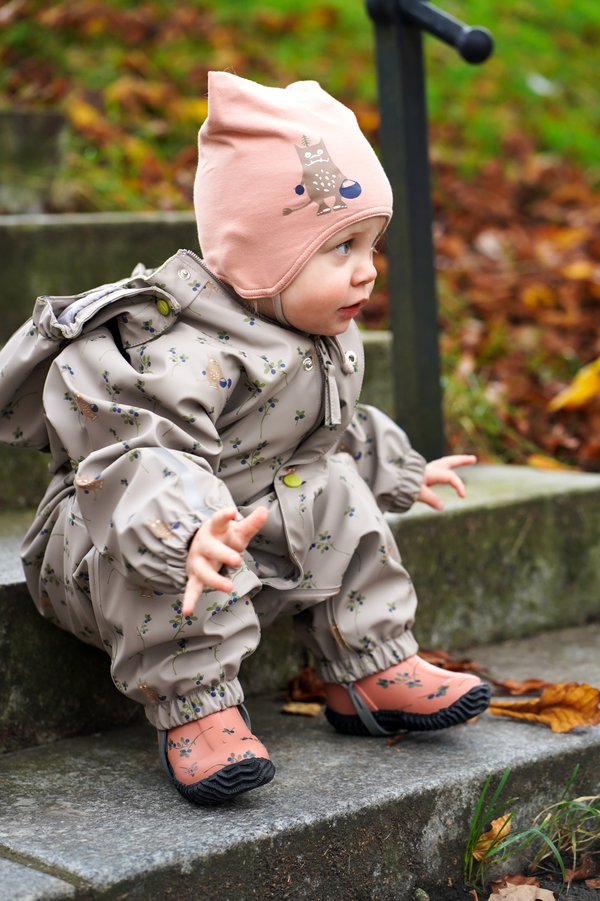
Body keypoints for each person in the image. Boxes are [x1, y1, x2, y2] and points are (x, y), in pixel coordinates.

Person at [0, 72, 490, 807]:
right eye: (340, 248)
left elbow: (320, 435)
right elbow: (136, 456)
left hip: (243, 533)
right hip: (120, 540)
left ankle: (372, 662)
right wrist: (186, 531)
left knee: (329, 485)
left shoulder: (306, 332)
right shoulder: (173, 347)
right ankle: (197, 708)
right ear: (261, 257)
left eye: (372, 244)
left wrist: (393, 467)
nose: (368, 270)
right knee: (178, 547)